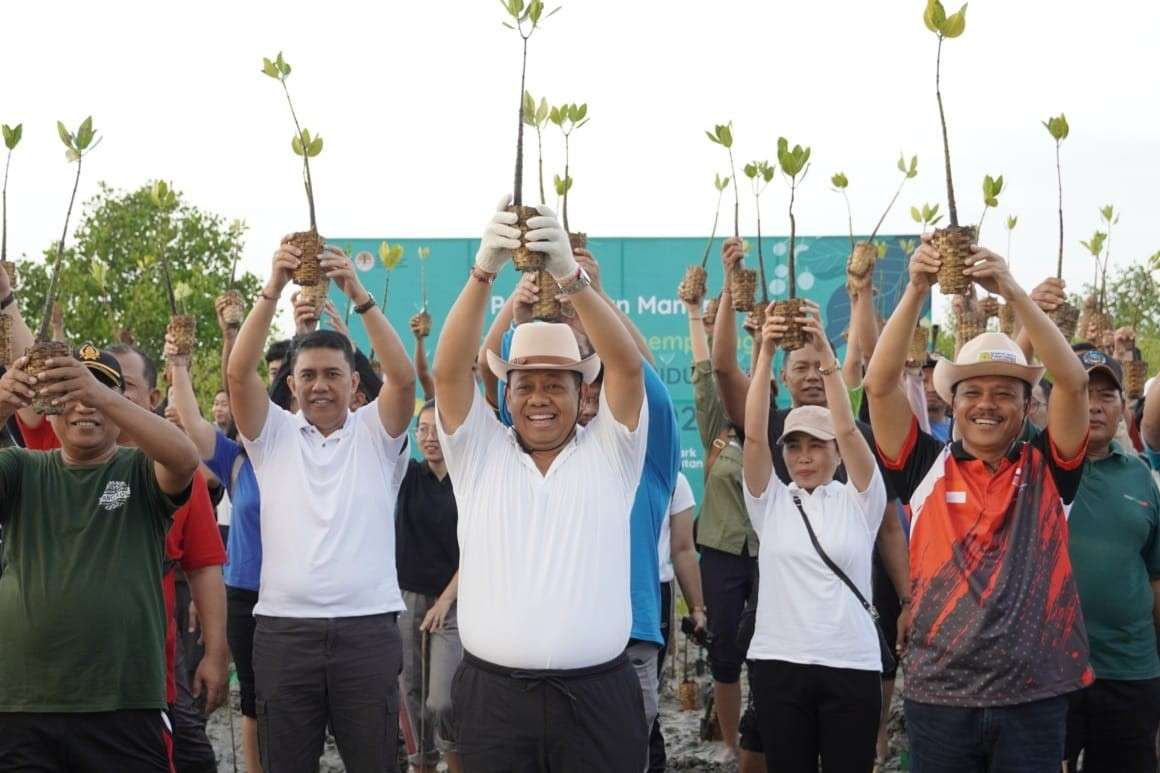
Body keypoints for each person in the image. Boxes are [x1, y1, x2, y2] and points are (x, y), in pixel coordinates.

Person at [433, 200, 649, 770]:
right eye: (525, 384)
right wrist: (484, 271)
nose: (539, 399)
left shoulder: (612, 451)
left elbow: (627, 370)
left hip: (599, 704)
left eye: (557, 384)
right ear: (506, 394)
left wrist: (571, 278)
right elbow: (448, 373)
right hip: (494, 705)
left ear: (583, 394)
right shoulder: (480, 454)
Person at [864, 237, 1093, 772]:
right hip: (940, 696)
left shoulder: (1048, 468)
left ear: (1025, 404)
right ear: (952, 401)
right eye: (972, 392)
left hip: (1034, 698)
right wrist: (917, 288)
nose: (986, 404)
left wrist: (1012, 290)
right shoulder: (925, 465)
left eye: (1004, 393)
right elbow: (877, 387)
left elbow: (1076, 383)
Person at [227, 240, 416, 772]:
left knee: (376, 763)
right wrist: (272, 289)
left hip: (367, 632)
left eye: (334, 374)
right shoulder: (273, 436)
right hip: (285, 635)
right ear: (291, 386)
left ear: (356, 385)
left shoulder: (376, 435)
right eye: (308, 375)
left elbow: (402, 380)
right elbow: (239, 376)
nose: (320, 385)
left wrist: (357, 293)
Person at [482, 250, 682, 741]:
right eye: (575, 388)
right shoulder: (532, 450)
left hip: (627, 641)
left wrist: (587, 292)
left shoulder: (641, 451)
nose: (588, 398)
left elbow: (634, 371)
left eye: (594, 386)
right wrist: (518, 314)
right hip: (542, 650)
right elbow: (489, 381)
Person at [17, 342, 228, 773]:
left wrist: (216, 651)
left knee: (194, 760)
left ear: (142, 399)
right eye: (72, 392)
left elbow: (203, 559)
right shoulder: (28, 466)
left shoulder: (152, 469)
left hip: (138, 687)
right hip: (32, 700)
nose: (85, 404)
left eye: (110, 389)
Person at [741, 303, 887, 773]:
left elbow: (846, 425)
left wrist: (826, 353)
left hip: (851, 665)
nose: (804, 457)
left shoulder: (860, 500)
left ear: (837, 454)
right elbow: (755, 436)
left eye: (816, 446)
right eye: (794, 446)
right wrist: (764, 351)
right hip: (779, 664)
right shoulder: (771, 500)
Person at [166, 328, 266, 773]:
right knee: (253, 700)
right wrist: (179, 365)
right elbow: (191, 419)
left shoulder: (298, 453)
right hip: (244, 593)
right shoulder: (235, 459)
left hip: (293, 600)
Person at [681, 275, 757, 764]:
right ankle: (730, 745)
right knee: (725, 655)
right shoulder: (718, 433)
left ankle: (765, 737)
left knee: (771, 654)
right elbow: (707, 374)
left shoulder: (781, 435)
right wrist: (695, 314)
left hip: (771, 557)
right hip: (723, 555)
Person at [396, 400, 462, 773]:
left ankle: (453, 757)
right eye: (422, 429)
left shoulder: (467, 481)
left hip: (453, 603)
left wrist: (446, 600)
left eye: (437, 429)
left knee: (443, 699)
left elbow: (477, 548)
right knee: (410, 692)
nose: (430, 437)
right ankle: (420, 763)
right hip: (408, 599)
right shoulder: (407, 475)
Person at [650, 470, 708, 771]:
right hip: (595, 591)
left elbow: (683, 549)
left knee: (644, 700)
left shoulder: (673, 479)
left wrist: (697, 608)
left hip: (653, 595)